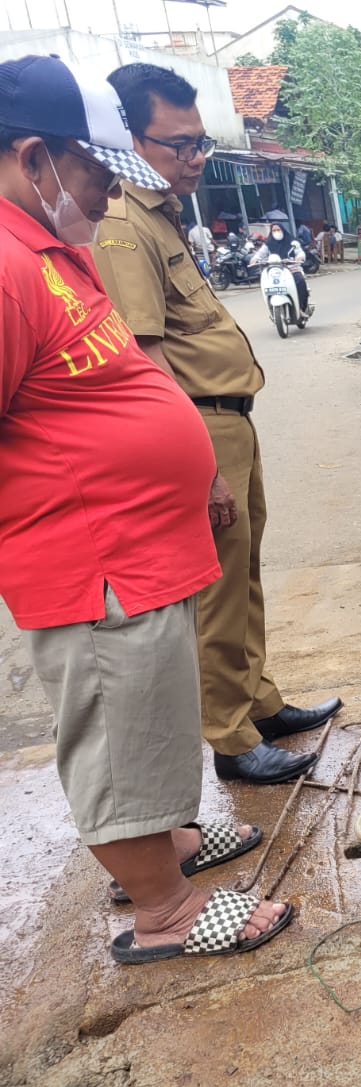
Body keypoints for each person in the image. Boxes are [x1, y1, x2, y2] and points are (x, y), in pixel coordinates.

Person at [0, 54, 292, 961]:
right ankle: (163, 912)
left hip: (136, 548)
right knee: (121, 729)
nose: (99, 193)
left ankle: (160, 845)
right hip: (91, 561)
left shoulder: (45, 250)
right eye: (93, 171)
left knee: (156, 709)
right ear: (37, 157)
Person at [93, 62, 340, 785]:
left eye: (202, 143)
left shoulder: (164, 212)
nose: (196, 158)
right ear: (131, 140)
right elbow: (148, 357)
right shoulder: (121, 225)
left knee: (246, 572)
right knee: (218, 588)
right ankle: (230, 736)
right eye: (180, 145)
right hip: (197, 427)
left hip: (230, 418)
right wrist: (197, 468)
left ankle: (258, 701)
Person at [250, 220, 310, 314]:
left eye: (278, 229)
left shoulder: (292, 242)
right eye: (274, 230)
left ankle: (302, 307)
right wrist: (255, 259)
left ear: (282, 230)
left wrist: (300, 257)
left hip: (291, 268)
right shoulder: (268, 243)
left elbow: (300, 251)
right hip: (275, 270)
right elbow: (260, 253)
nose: (276, 232)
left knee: (300, 282)